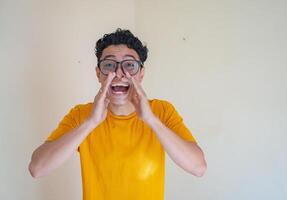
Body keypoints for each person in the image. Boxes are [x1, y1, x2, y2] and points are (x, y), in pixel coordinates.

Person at [28, 28, 207, 200]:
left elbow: (198, 167)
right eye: (109, 65)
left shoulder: (162, 111)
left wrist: (151, 120)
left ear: (141, 74)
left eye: (129, 65)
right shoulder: (81, 114)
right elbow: (37, 168)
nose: (119, 74)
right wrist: (91, 122)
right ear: (99, 74)